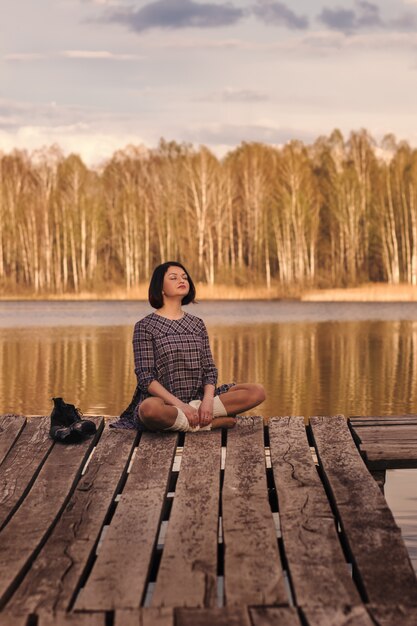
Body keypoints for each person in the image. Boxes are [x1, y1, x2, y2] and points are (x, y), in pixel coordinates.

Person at [111, 261, 266, 432]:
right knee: (149, 410)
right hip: (164, 402)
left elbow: (209, 369)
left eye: (184, 277)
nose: (181, 280)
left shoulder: (196, 324)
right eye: (173, 277)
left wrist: (207, 402)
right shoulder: (145, 326)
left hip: (199, 399)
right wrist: (182, 406)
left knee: (257, 391)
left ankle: (194, 419)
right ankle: (206, 425)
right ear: (160, 288)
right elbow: (145, 378)